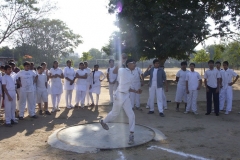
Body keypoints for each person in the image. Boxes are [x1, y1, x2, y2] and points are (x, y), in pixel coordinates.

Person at [100, 59, 141, 145]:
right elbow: (114, 71)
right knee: (115, 113)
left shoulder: (133, 73)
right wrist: (121, 61)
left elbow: (127, 87)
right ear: (128, 64)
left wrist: (135, 91)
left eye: (135, 63)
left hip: (126, 96)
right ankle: (103, 122)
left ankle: (131, 134)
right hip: (119, 95)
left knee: (131, 114)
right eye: (133, 63)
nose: (135, 64)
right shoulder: (122, 70)